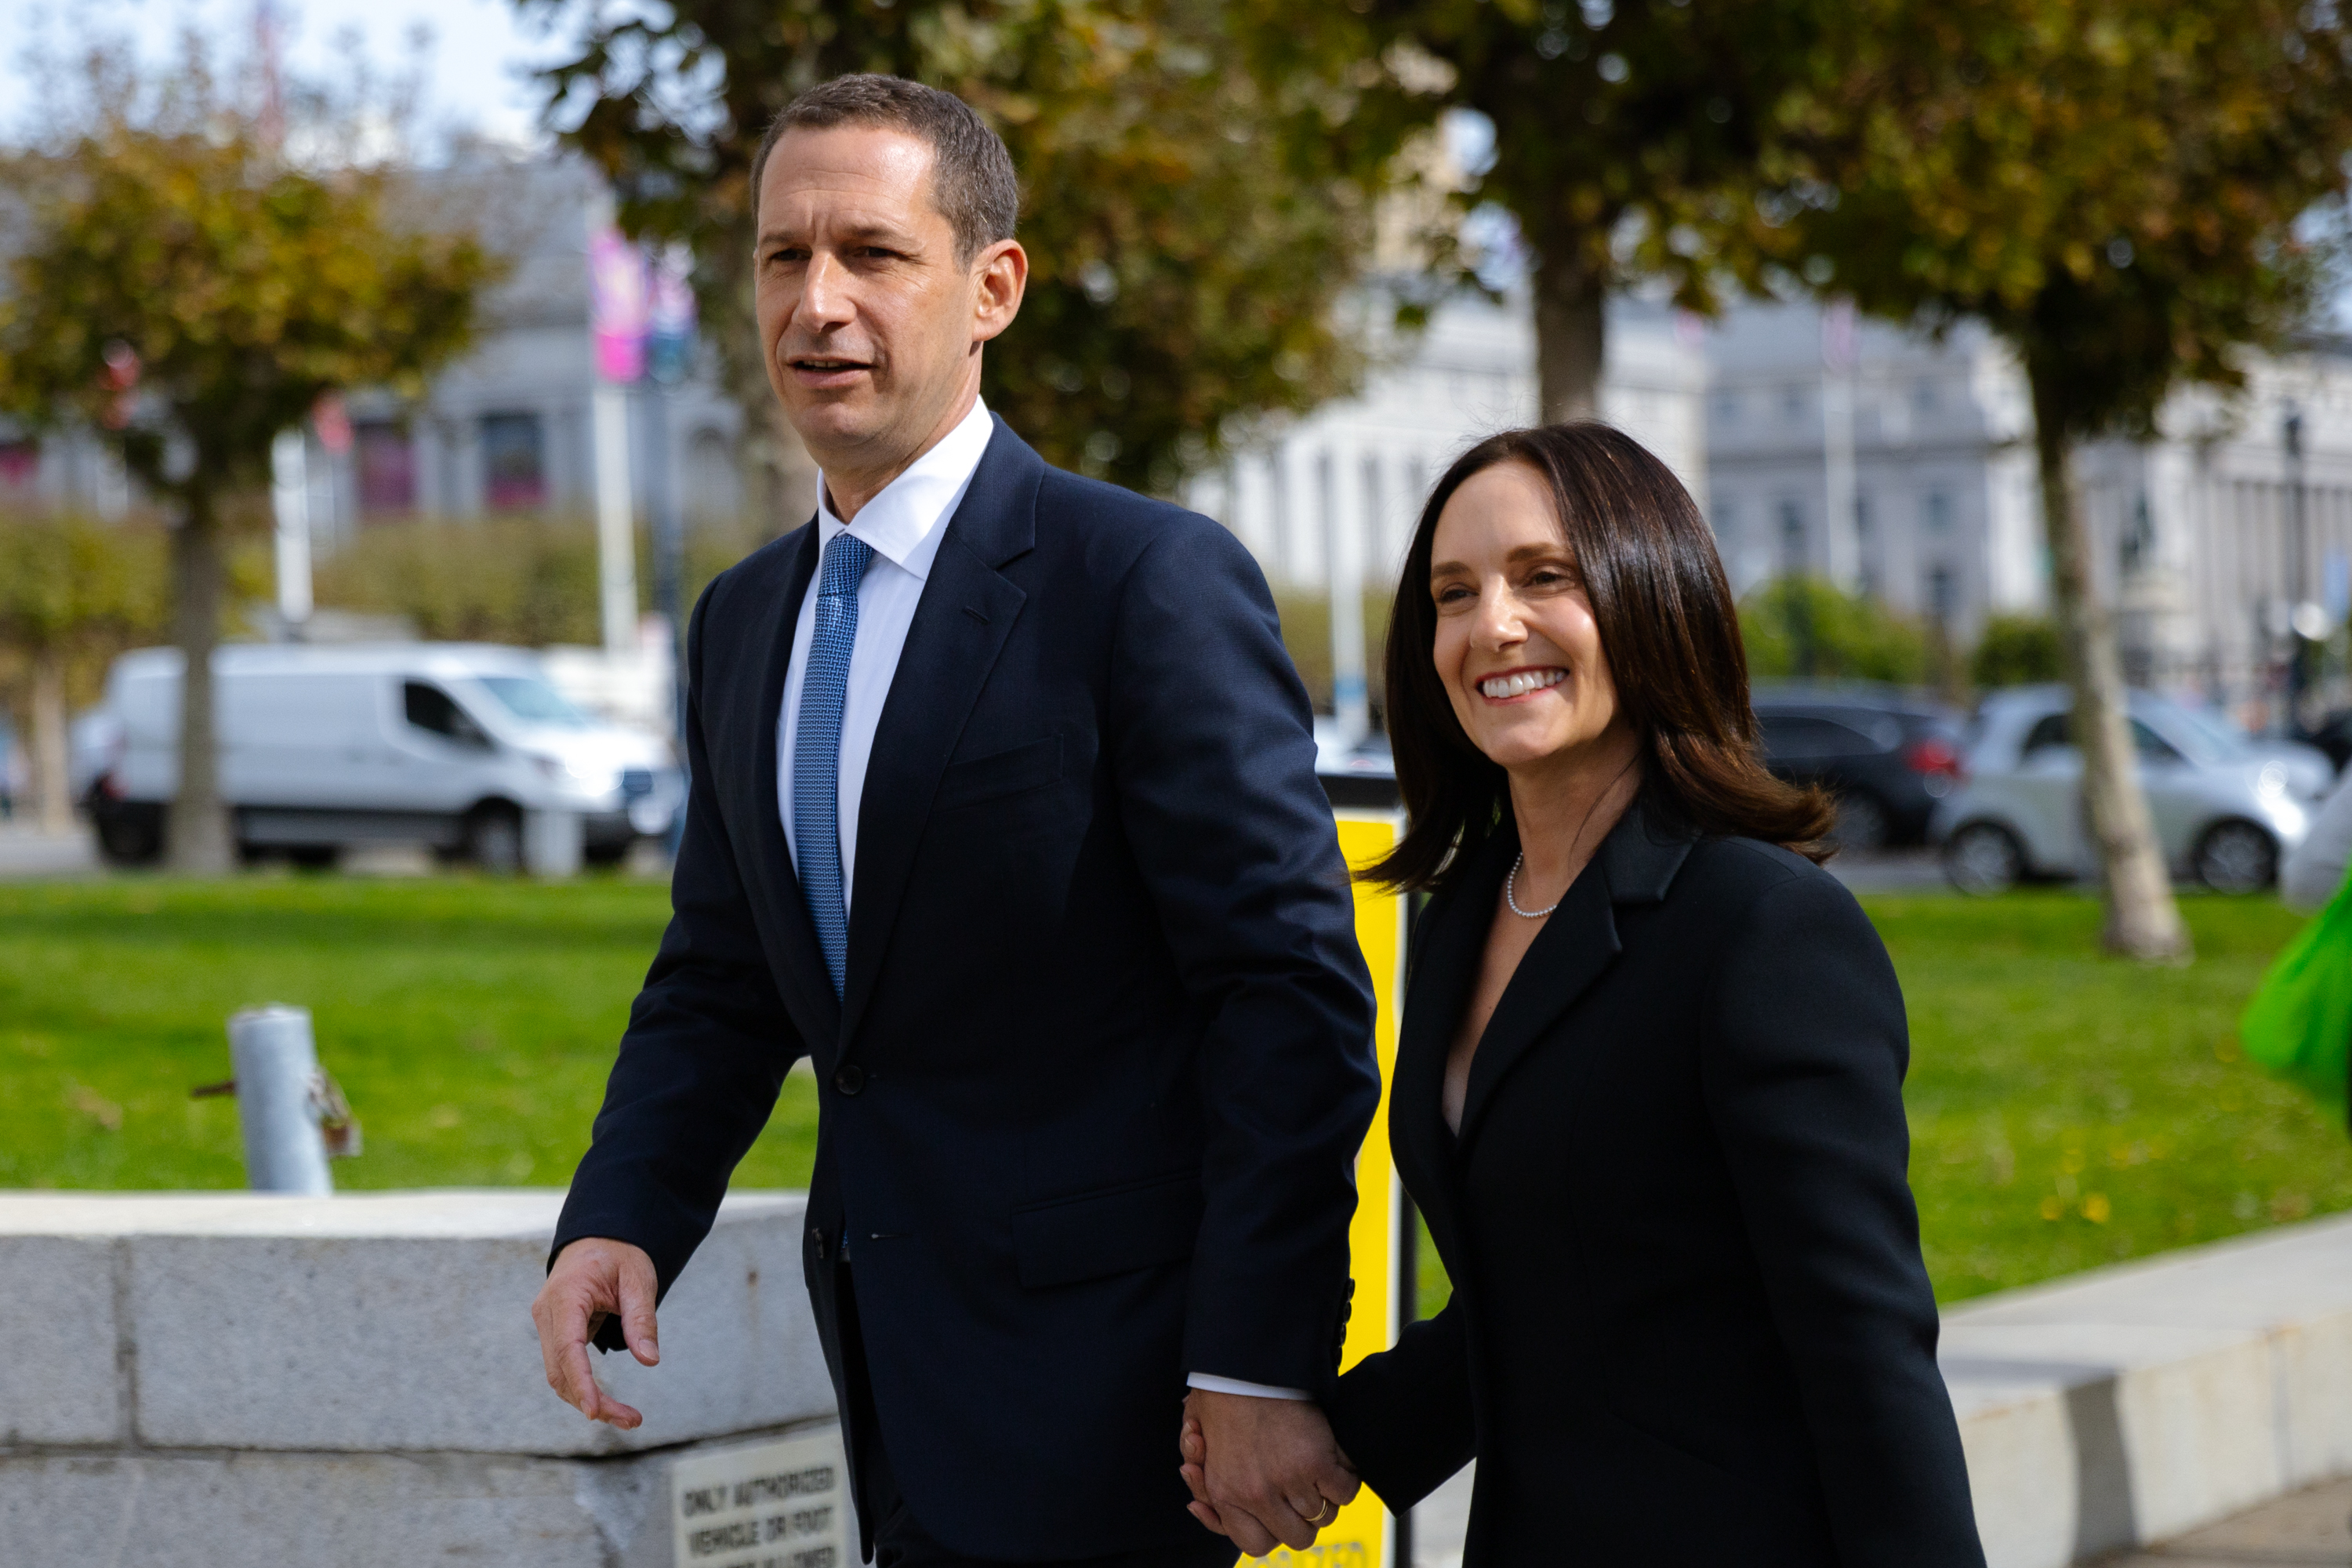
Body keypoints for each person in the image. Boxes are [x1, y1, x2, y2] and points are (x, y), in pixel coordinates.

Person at [529, 74, 1379, 1567]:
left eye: (872, 252)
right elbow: (726, 975)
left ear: (992, 289)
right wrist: (622, 1215)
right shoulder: (741, 623)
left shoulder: (1143, 585)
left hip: (1124, 1400)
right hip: (887, 1374)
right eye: (783, 258)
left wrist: (1257, 1362)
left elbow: (1287, 996)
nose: (820, 302)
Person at [1183, 424, 1985, 1564]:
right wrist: (1333, 1439)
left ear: (1652, 594)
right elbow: (1545, 1288)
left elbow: (1866, 1352)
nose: (1491, 625)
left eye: (1544, 578)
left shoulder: (1762, 929)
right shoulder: (1464, 918)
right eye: (1453, 595)